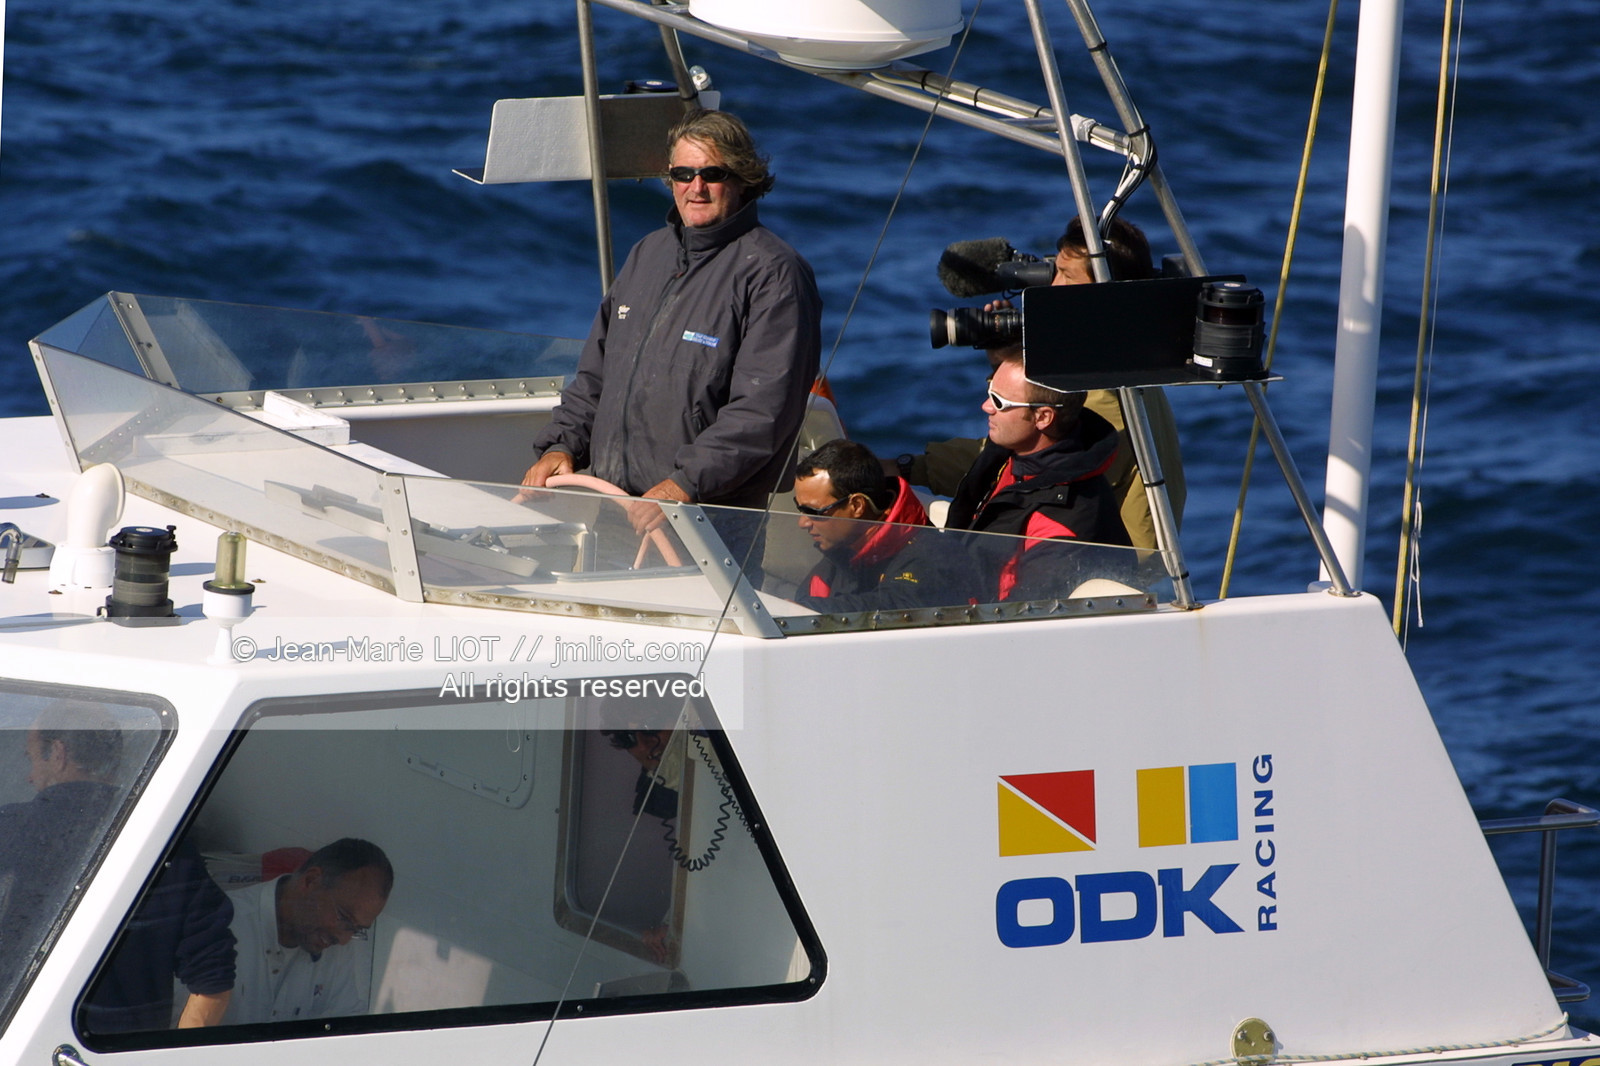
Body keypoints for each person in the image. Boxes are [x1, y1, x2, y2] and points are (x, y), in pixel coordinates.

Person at [522, 109, 823, 532]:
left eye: (712, 174)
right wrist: (561, 445)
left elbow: (762, 413)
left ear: (742, 180)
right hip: (613, 508)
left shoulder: (775, 273)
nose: (695, 187)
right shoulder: (648, 253)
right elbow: (595, 378)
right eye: (683, 174)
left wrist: (682, 486)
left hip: (704, 518)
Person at [895, 215, 1185, 549]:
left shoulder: (1103, 395)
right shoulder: (1121, 361)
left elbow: (1028, 467)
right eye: (1055, 272)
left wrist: (909, 469)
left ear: (1102, 295)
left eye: (1067, 276)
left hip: (1105, 571)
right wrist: (1006, 362)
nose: (1052, 289)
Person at [0, 703, 236, 1031]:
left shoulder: (11, 830)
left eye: (32, 759)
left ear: (58, 753)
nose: (29, 775)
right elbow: (212, 982)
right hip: (115, 1049)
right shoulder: (170, 845)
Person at [944, 348, 1129, 600]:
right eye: (990, 392)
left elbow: (1024, 613)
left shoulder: (1063, 521)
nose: (986, 406)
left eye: (999, 401)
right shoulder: (1010, 457)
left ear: (1043, 417)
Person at [220, 837, 393, 1026]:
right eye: (343, 917)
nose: (344, 939)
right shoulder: (223, 925)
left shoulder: (334, 942)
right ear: (311, 881)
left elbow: (346, 1024)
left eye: (356, 929)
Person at [793, 439, 969, 612]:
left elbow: (900, 607)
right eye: (800, 509)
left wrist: (809, 608)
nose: (803, 523)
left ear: (857, 506)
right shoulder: (836, 559)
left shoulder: (936, 556)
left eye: (814, 512)